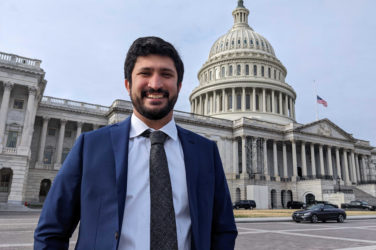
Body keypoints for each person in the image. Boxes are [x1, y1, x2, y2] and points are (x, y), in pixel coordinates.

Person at [34, 36, 237, 250]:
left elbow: (223, 229)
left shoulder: (205, 152)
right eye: (145, 73)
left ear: (178, 86)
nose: (156, 84)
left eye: (166, 74)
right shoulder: (91, 147)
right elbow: (51, 232)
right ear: (128, 84)